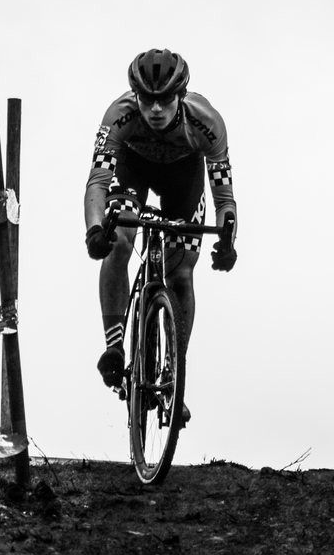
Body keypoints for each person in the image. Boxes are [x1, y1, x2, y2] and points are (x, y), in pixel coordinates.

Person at [83, 49, 238, 413]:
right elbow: (98, 181)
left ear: (180, 96)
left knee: (182, 273)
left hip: (183, 175)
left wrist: (228, 237)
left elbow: (224, 193)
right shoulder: (118, 116)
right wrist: (93, 230)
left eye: (165, 99)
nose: (155, 109)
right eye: (147, 100)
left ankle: (175, 374)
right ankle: (115, 345)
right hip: (132, 168)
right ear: (135, 96)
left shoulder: (207, 122)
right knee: (119, 239)